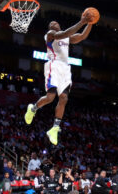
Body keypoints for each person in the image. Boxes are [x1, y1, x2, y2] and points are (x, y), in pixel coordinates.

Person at [24, 12, 93, 145]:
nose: (53, 24)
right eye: (51, 23)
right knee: (50, 97)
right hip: (53, 66)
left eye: (55, 23)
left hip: (66, 69)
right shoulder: (50, 35)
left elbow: (82, 36)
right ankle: (33, 109)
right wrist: (82, 22)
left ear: (60, 25)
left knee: (64, 98)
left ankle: (55, 128)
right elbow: (63, 34)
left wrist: (90, 23)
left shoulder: (67, 37)